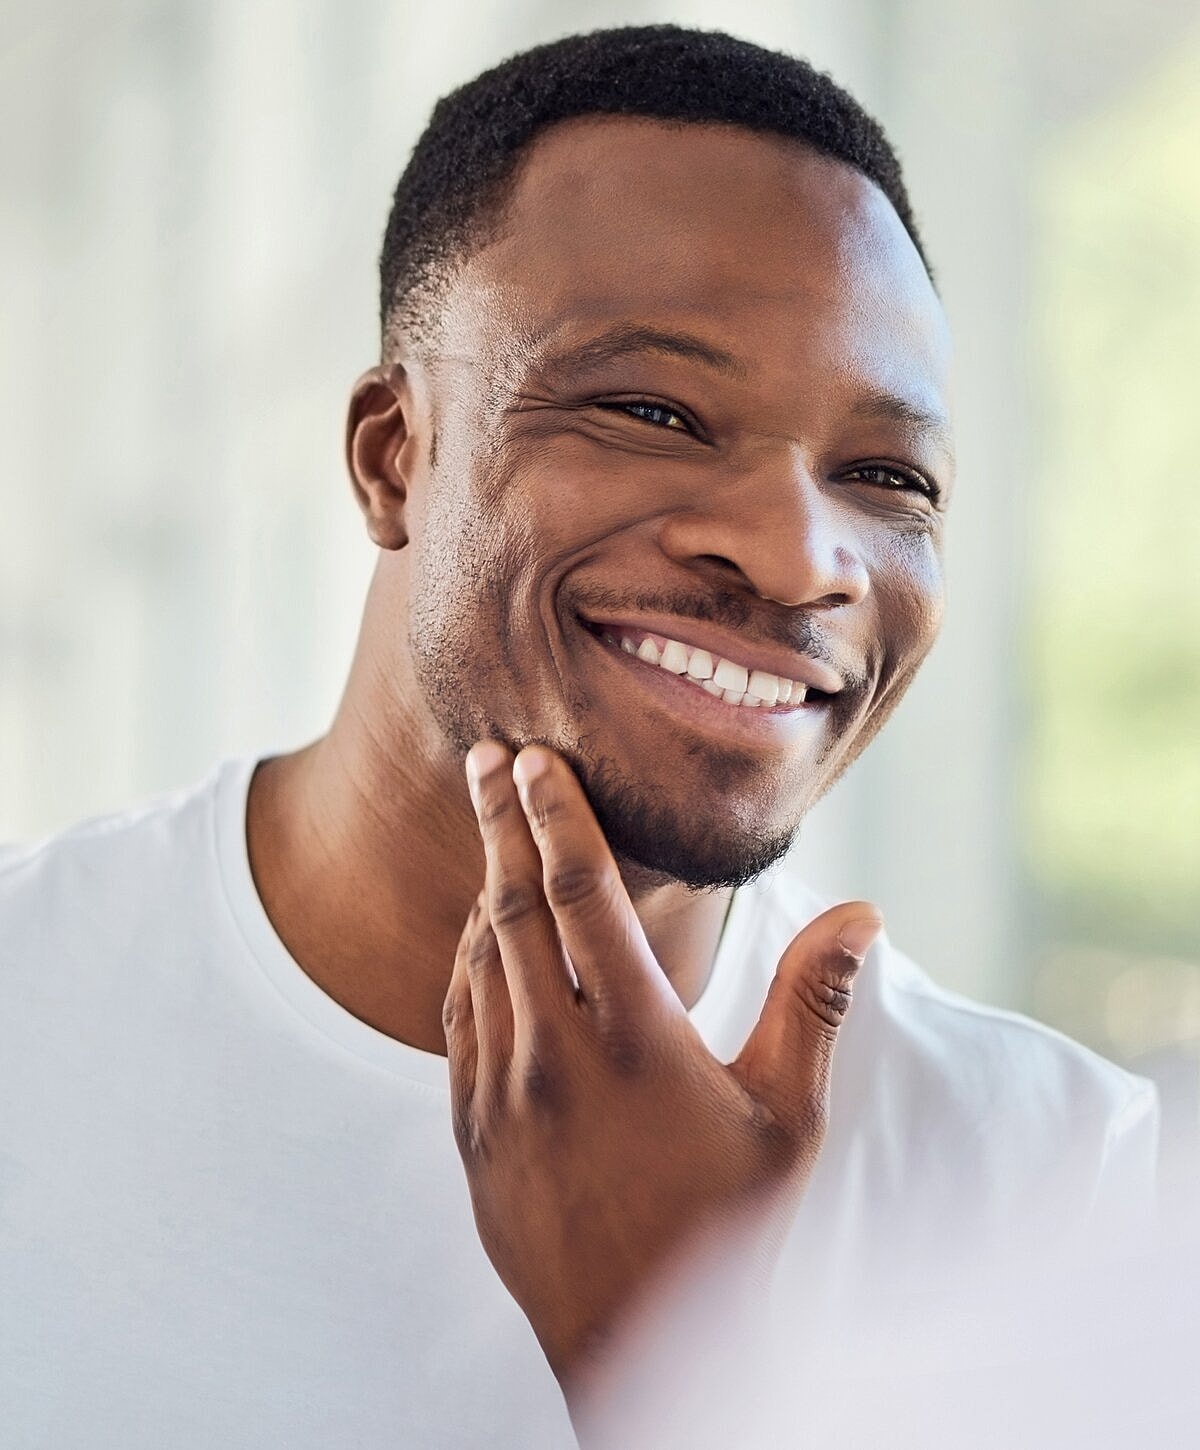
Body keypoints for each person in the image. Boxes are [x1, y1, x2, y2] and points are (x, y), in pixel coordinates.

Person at [0, 24, 1157, 1450]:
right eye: (654, 409)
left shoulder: (1065, 1196)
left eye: (883, 475)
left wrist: (670, 1359)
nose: (800, 559)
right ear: (393, 455)